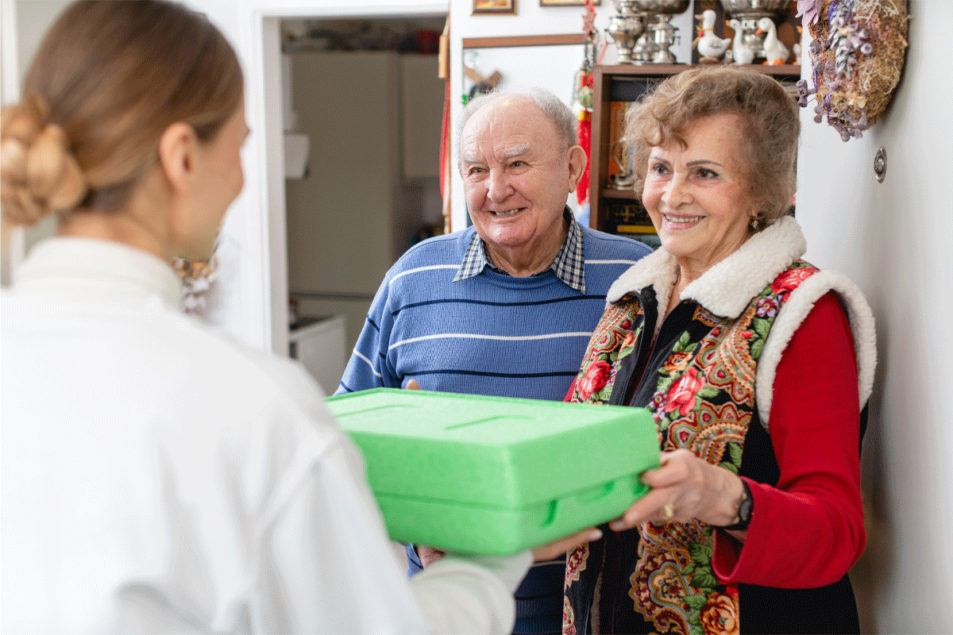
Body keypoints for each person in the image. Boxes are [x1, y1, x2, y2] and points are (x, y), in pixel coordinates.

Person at [0, 2, 598, 633]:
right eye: (240, 147)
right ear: (182, 157)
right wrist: (491, 555)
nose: (239, 180)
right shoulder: (248, 404)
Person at [561, 67, 876, 635]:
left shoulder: (803, 312)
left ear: (761, 189)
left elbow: (838, 532)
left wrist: (722, 496)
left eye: (704, 173)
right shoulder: (631, 302)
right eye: (660, 168)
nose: (672, 194)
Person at [335, 88, 652, 633]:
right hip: (445, 611)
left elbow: (665, 435)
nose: (495, 189)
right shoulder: (413, 279)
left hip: (596, 615)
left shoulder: (636, 279)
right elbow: (344, 442)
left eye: (518, 164)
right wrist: (416, 519)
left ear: (572, 167)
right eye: (476, 169)